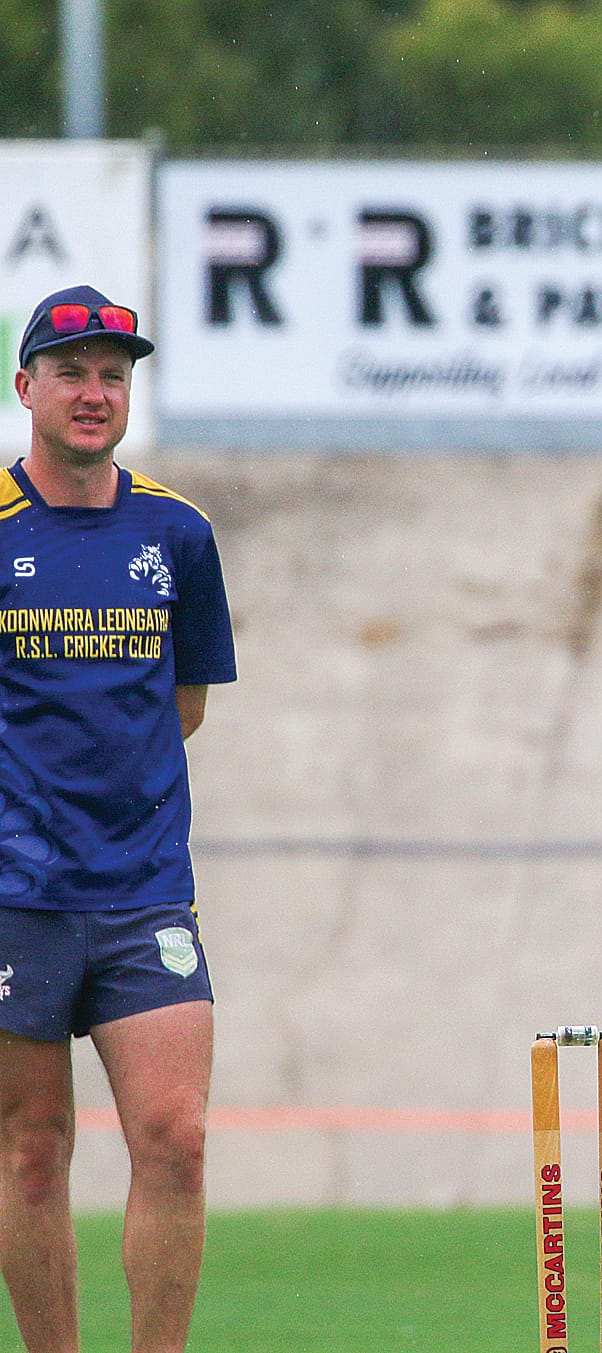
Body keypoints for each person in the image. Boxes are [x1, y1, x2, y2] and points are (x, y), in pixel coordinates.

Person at [0, 285, 237, 1353]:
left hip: (143, 890)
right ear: (26, 389)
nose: (94, 393)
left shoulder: (176, 533)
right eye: (71, 373)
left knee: (174, 1138)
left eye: (113, 374)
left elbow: (179, 708)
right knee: (30, 1150)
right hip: (15, 897)